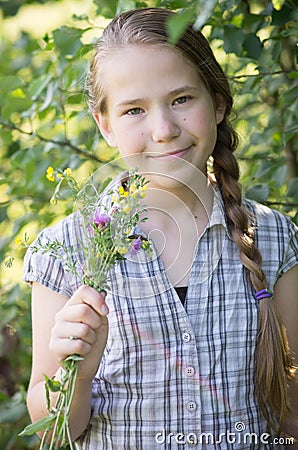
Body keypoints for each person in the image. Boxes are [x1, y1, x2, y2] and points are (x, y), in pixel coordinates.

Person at [24, 7, 298, 449]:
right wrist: (79, 369)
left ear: (219, 101)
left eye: (182, 99)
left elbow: (292, 413)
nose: (164, 130)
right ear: (105, 124)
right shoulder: (67, 250)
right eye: (134, 110)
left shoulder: (272, 237)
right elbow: (56, 431)